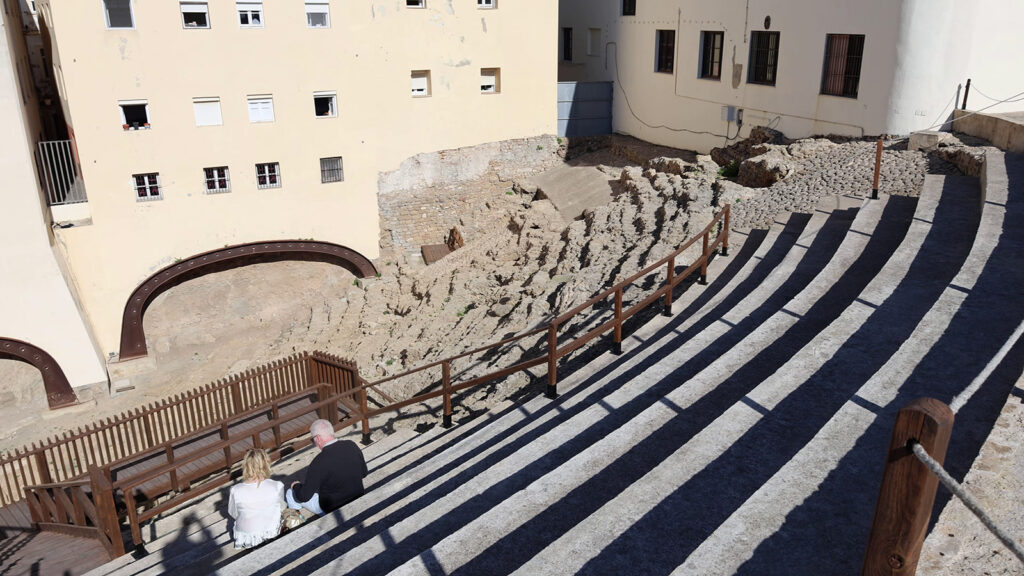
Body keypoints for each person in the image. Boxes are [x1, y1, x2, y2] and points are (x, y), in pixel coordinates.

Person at [286, 419, 368, 516]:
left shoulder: (318, 462)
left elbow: (304, 496)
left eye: (313, 440)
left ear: (317, 438)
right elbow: (364, 473)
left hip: (333, 509)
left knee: (290, 493)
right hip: (357, 496)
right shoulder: (351, 445)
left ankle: (295, 523)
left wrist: (296, 486)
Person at [227, 449, 284, 549]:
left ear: (245, 466)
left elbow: (233, 513)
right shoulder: (277, 486)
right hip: (272, 534)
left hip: (247, 538)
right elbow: (282, 508)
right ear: (266, 465)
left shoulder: (235, 490)